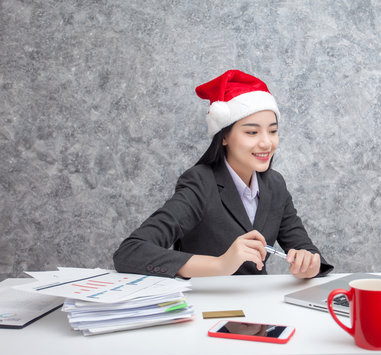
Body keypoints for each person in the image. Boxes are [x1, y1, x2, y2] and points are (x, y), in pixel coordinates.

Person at [113, 70, 334, 279]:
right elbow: (130, 253)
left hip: (260, 310)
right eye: (252, 132)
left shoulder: (275, 185)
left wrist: (309, 264)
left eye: (273, 131)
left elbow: (306, 250)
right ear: (224, 136)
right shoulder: (200, 182)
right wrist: (220, 264)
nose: (267, 142)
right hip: (207, 309)